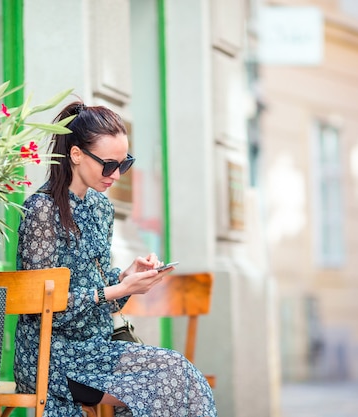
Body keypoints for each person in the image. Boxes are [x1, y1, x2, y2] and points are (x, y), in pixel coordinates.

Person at [14, 101, 218, 416]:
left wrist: (125, 278)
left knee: (183, 376)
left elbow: (99, 296)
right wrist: (120, 290)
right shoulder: (42, 210)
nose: (116, 174)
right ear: (77, 155)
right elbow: (44, 308)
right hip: (52, 358)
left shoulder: (100, 207)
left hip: (97, 349)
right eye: (108, 164)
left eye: (124, 164)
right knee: (171, 379)